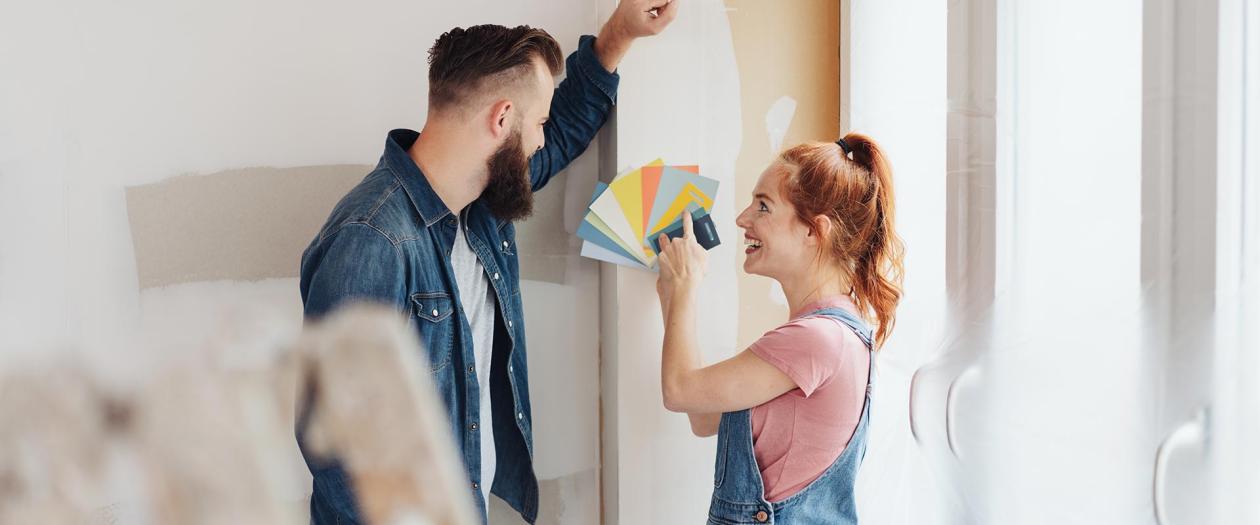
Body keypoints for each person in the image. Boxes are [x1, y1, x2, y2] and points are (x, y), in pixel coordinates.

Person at [297, 2, 679, 523]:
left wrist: (618, 36)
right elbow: (338, 444)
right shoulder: (372, 241)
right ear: (502, 118)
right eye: (537, 122)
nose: (543, 137)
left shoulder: (481, 205)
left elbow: (562, 133)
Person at [653, 134, 904, 524]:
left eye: (763, 206)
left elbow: (679, 390)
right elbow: (702, 415)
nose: (742, 219)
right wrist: (673, 293)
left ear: (813, 231)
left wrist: (686, 289)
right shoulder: (831, 334)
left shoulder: (817, 339)